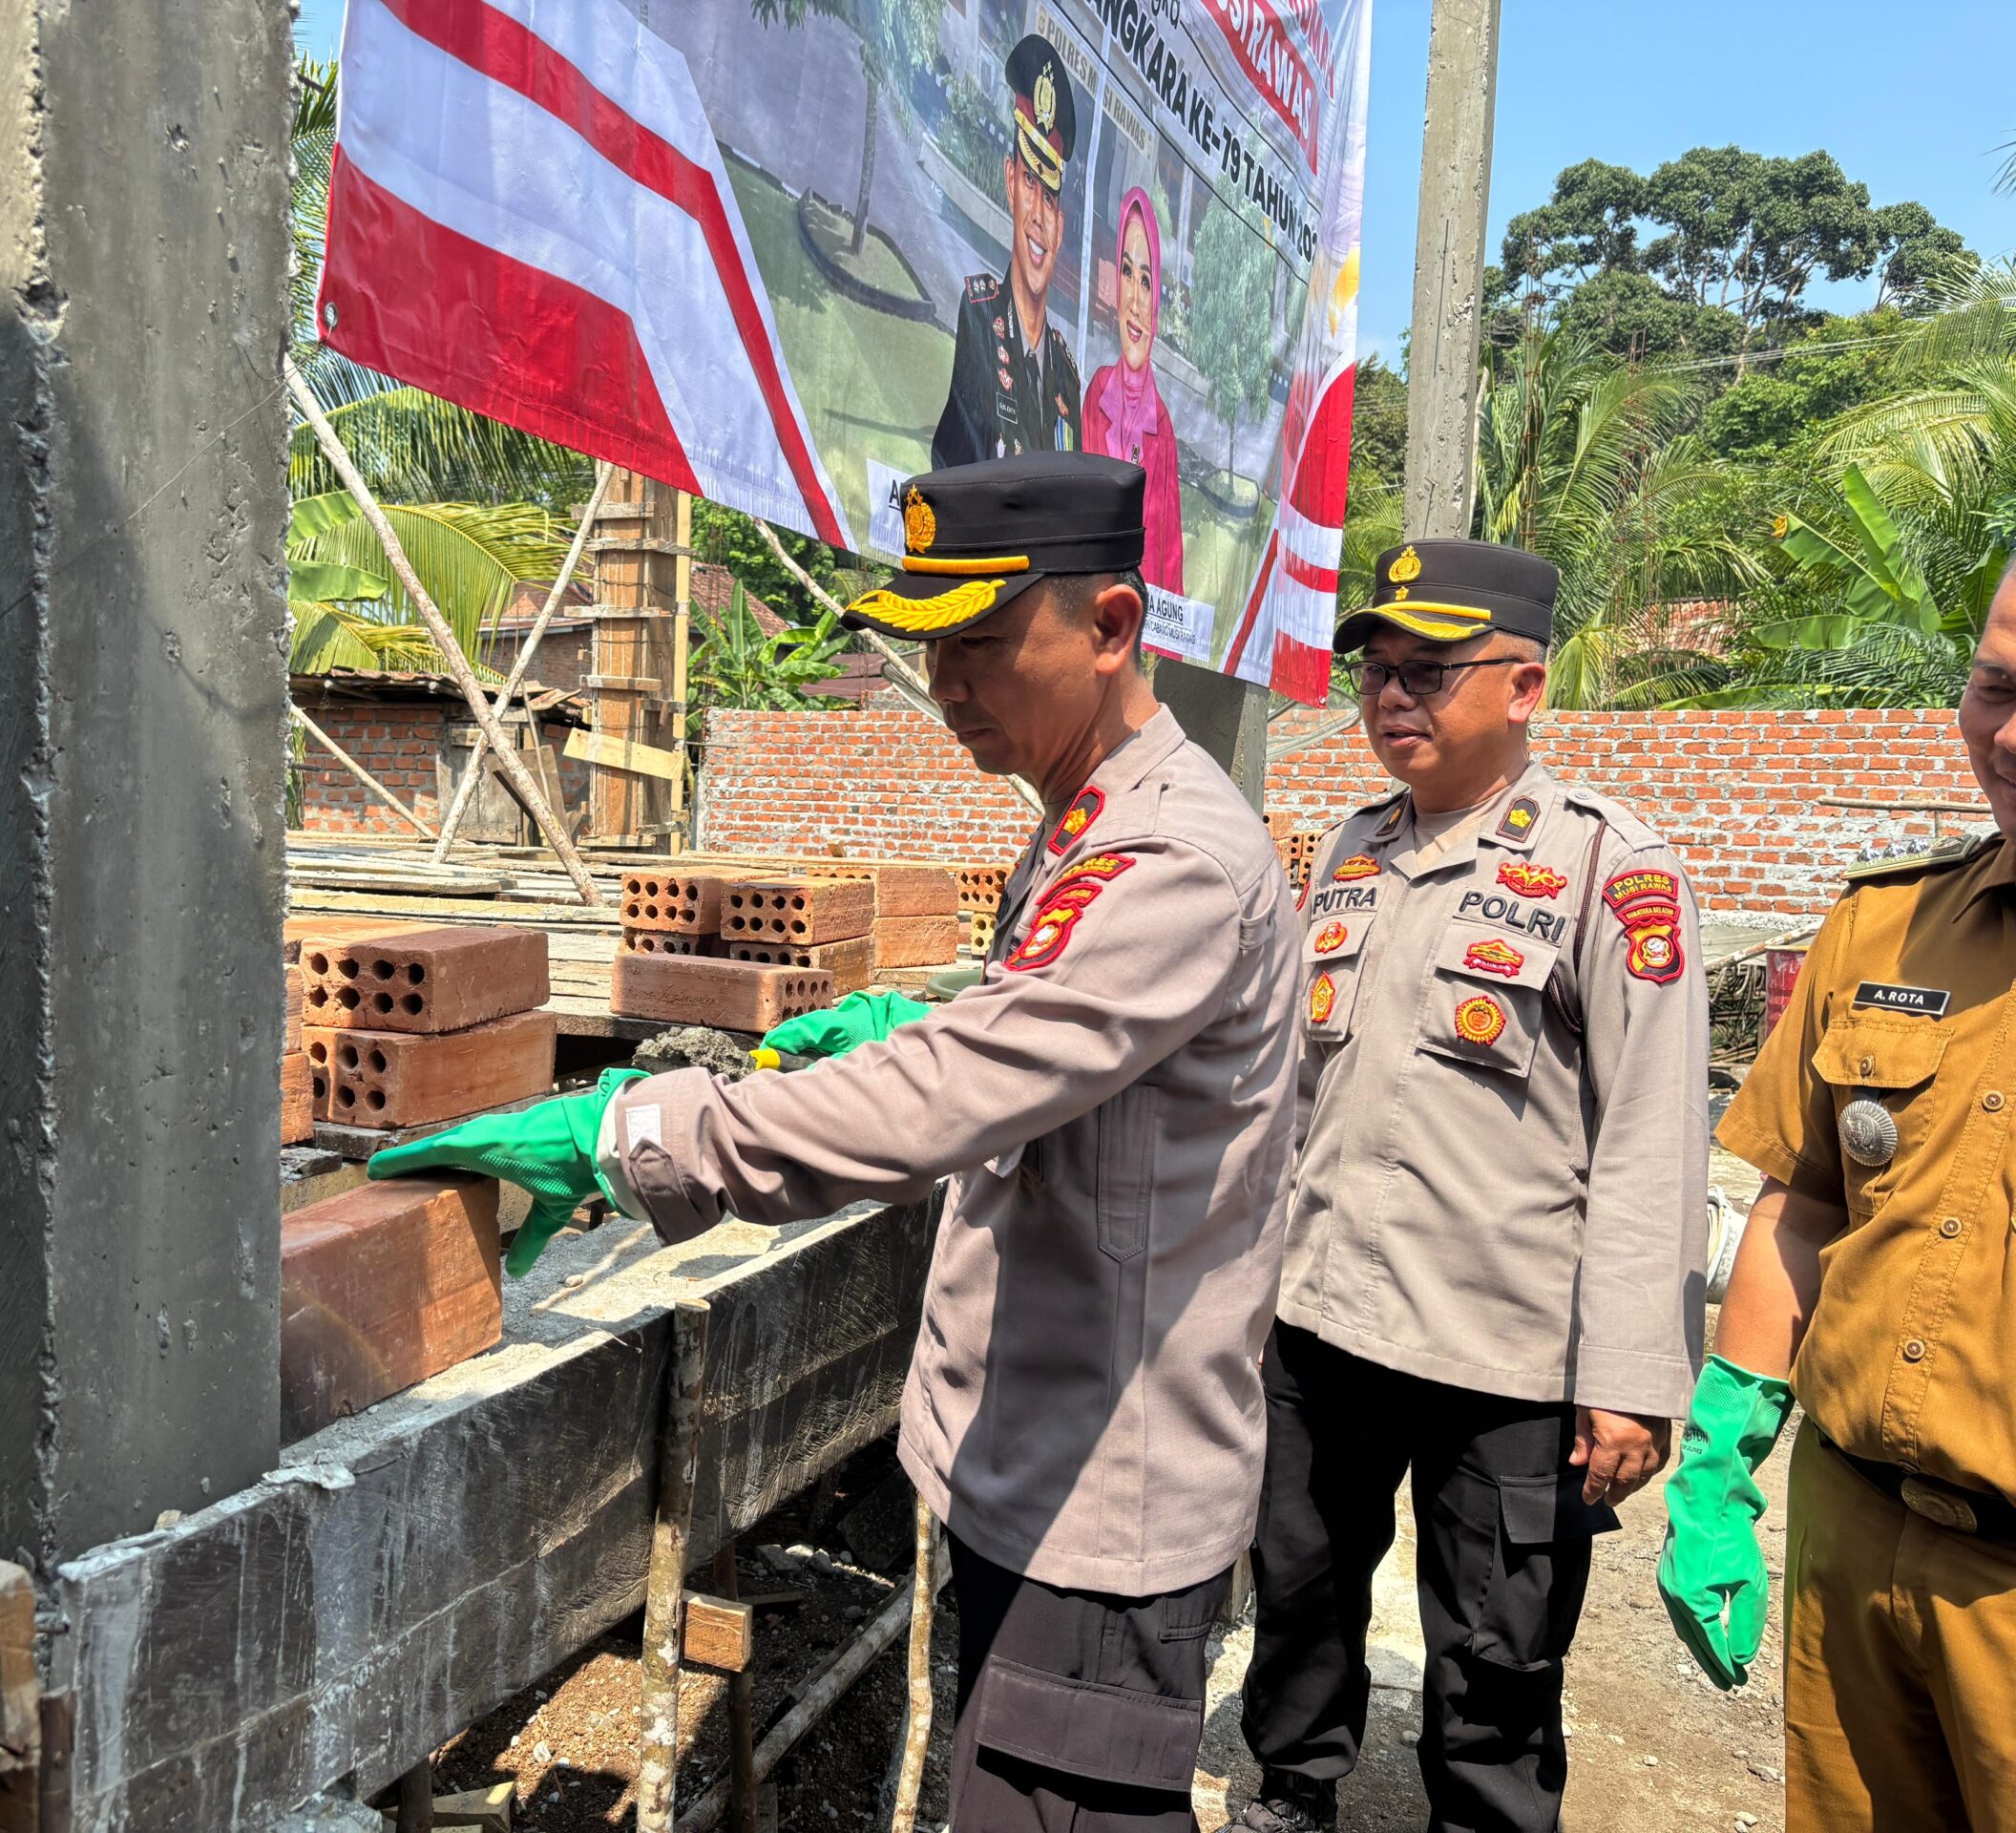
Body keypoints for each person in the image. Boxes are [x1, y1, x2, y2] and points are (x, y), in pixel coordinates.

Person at [373, 453, 1303, 1831]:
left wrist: (625, 1132)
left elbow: (948, 1102)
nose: (946, 684)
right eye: (931, 648)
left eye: (980, 643)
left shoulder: (1169, 858)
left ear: (1111, 626)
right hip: (1046, 1456)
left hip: (1106, 1499)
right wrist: (901, 1024)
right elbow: (1045, 1052)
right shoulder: (1093, 822)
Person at [1225, 538, 1708, 1833]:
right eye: (1376, 672)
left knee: (1498, 1648)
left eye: (1429, 671)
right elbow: (1296, 1096)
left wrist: (1631, 1379)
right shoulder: (1352, 847)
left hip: (1504, 1349)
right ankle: (1292, 1793)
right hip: (1324, 1317)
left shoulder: (1612, 867)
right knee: (1299, 1590)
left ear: (1525, 686)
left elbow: (1654, 1139)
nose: (1393, 697)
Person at [1658, 562, 2016, 1831]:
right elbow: (1805, 1204)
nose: (2009, 738)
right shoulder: (1884, 928)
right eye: (1995, 687)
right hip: (1851, 1535)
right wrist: (1717, 1460)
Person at [932, 36, 1082, 468]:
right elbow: (952, 468)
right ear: (1010, 182)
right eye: (1030, 183)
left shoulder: (1068, 378)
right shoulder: (981, 318)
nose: (1038, 216)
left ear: (1060, 228)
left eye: (1049, 197)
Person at [1082, 186, 1184, 594]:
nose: (1136, 302)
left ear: (1156, 301)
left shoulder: (1162, 426)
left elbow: (1170, 560)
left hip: (1138, 620)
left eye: (1146, 280)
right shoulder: (1097, 394)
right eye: (1127, 273)